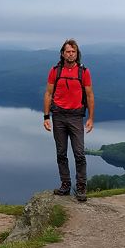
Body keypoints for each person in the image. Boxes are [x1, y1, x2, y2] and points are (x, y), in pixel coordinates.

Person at [43, 39, 94, 201]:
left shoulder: (83, 72)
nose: (71, 54)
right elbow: (48, 94)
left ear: (77, 54)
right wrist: (46, 117)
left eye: (73, 52)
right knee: (61, 153)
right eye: (68, 51)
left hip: (76, 116)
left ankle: (81, 187)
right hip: (58, 115)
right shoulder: (55, 71)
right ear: (62, 53)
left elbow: (89, 95)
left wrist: (91, 118)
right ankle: (65, 185)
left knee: (79, 153)